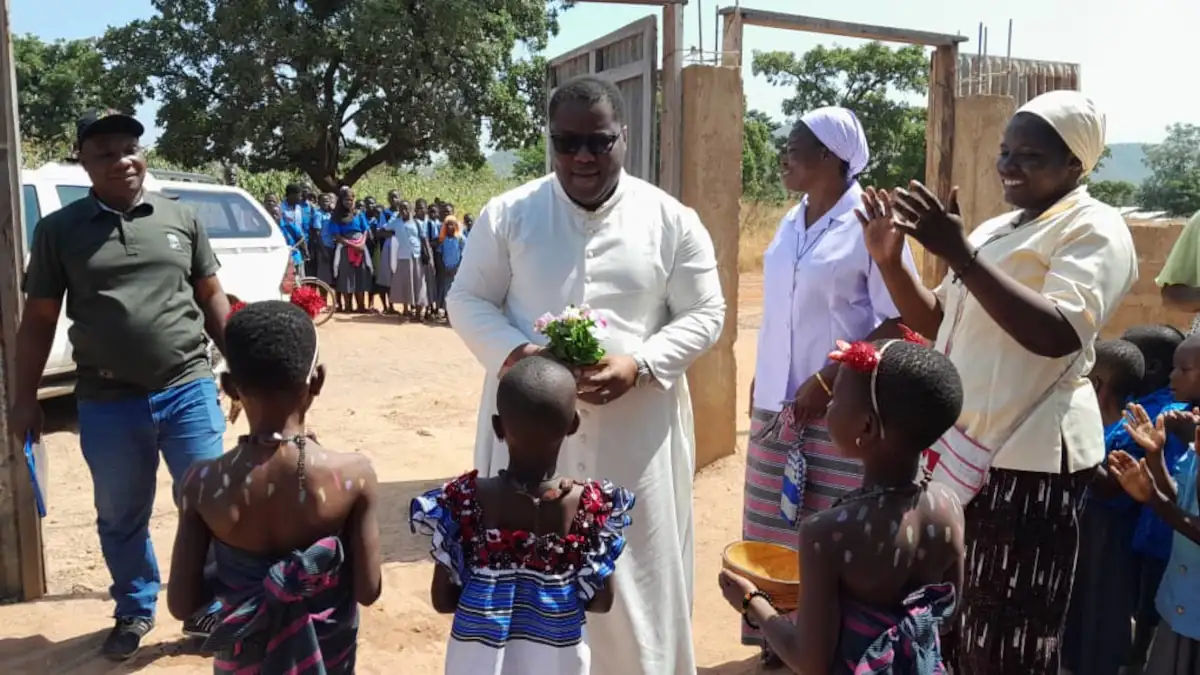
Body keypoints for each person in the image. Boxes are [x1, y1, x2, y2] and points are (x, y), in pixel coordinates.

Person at [446, 74, 725, 675]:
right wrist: (523, 362)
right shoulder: (510, 214)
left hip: (635, 434)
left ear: (624, 136)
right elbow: (467, 299)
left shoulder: (670, 220)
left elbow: (708, 312)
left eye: (598, 142)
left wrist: (642, 364)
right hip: (525, 436)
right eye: (566, 142)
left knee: (633, 575)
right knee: (524, 573)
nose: (582, 157)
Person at [856, 90, 1138, 673]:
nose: (1009, 165)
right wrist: (891, 261)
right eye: (1005, 152)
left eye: (1030, 156)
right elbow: (939, 321)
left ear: (1074, 165)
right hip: (965, 450)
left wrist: (959, 251)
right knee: (959, 624)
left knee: (1011, 632)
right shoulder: (997, 228)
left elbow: (1059, 331)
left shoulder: (1095, 228)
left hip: (1031, 460)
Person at [11, 109, 233, 659]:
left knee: (205, 500)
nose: (121, 161)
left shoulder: (180, 219)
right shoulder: (60, 231)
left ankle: (206, 605)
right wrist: (23, 399)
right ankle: (135, 608)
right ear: (84, 163)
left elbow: (211, 298)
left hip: (187, 386)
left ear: (144, 155)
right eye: (105, 153)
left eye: (129, 149)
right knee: (120, 512)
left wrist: (244, 371)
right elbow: (38, 320)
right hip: (108, 400)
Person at [743, 106, 918, 666]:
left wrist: (829, 377)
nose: (784, 155)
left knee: (830, 530)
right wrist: (763, 372)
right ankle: (778, 638)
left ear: (830, 156)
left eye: (795, 144)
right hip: (777, 401)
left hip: (839, 407)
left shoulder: (869, 219)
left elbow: (900, 319)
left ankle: (831, 645)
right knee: (774, 526)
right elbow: (781, 313)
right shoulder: (790, 220)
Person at [720, 334, 965, 674]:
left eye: (835, 401)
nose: (829, 408)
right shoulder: (948, 505)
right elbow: (948, 615)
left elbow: (809, 660)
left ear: (865, 427)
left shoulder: (828, 532)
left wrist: (752, 602)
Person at [169, 300, 382, 672]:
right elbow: (368, 590)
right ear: (317, 380)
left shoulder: (201, 484)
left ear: (230, 387)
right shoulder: (353, 476)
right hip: (326, 659)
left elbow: (182, 605)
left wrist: (249, 591)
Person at [410, 356, 633, 674]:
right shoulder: (590, 506)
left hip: (477, 661)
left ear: (498, 427)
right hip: (559, 661)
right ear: (573, 424)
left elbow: (443, 600)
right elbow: (601, 601)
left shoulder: (463, 500)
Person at [1063, 338, 1147, 675]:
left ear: (1096, 384)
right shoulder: (1094, 421)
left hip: (1109, 533)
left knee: (1102, 605)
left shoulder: (1130, 430)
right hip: (1087, 527)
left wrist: (1073, 449)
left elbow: (1113, 488)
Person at [1109, 402, 1200, 675]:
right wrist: (1155, 456)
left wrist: (1154, 499)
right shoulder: (1195, 446)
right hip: (1178, 607)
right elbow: (1179, 501)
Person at [330, 186, 373, 313]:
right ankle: (347, 306)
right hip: (345, 247)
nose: (349, 202)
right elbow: (337, 236)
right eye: (346, 200)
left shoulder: (359, 214)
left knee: (361, 276)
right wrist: (353, 245)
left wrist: (362, 243)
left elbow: (365, 230)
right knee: (346, 277)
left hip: (360, 247)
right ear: (341, 200)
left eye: (351, 199)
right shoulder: (336, 216)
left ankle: (361, 306)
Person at [385, 200, 428, 320]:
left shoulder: (417, 223)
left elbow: (424, 239)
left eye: (406, 209)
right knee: (405, 284)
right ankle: (406, 310)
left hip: (416, 256)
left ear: (411, 210)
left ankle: (419, 313)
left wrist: (428, 256)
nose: (404, 211)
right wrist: (395, 216)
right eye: (401, 209)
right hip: (403, 256)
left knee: (419, 284)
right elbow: (386, 228)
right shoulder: (396, 223)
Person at [438, 216, 465, 306]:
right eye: (448, 225)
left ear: (456, 226)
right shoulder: (442, 239)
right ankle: (447, 312)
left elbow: (464, 254)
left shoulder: (460, 239)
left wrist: (457, 268)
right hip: (446, 270)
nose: (450, 227)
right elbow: (439, 253)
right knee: (447, 290)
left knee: (457, 291)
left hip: (457, 270)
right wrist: (443, 267)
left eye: (452, 225)